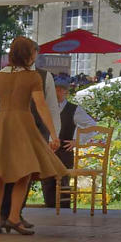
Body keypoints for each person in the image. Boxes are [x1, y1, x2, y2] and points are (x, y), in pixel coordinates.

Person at [0, 36, 66, 234]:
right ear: (28, 54)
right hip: (22, 124)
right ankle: (14, 217)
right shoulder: (32, 77)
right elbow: (41, 106)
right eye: (33, 51)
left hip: (2, 124)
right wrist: (54, 133)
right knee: (25, 172)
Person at [37, 79, 80, 208]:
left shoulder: (73, 109)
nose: (55, 93)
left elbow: (91, 126)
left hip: (64, 152)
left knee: (63, 181)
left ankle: (65, 209)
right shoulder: (45, 108)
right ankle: (49, 207)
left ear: (63, 91)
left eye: (58, 90)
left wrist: (76, 141)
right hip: (47, 151)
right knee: (47, 180)